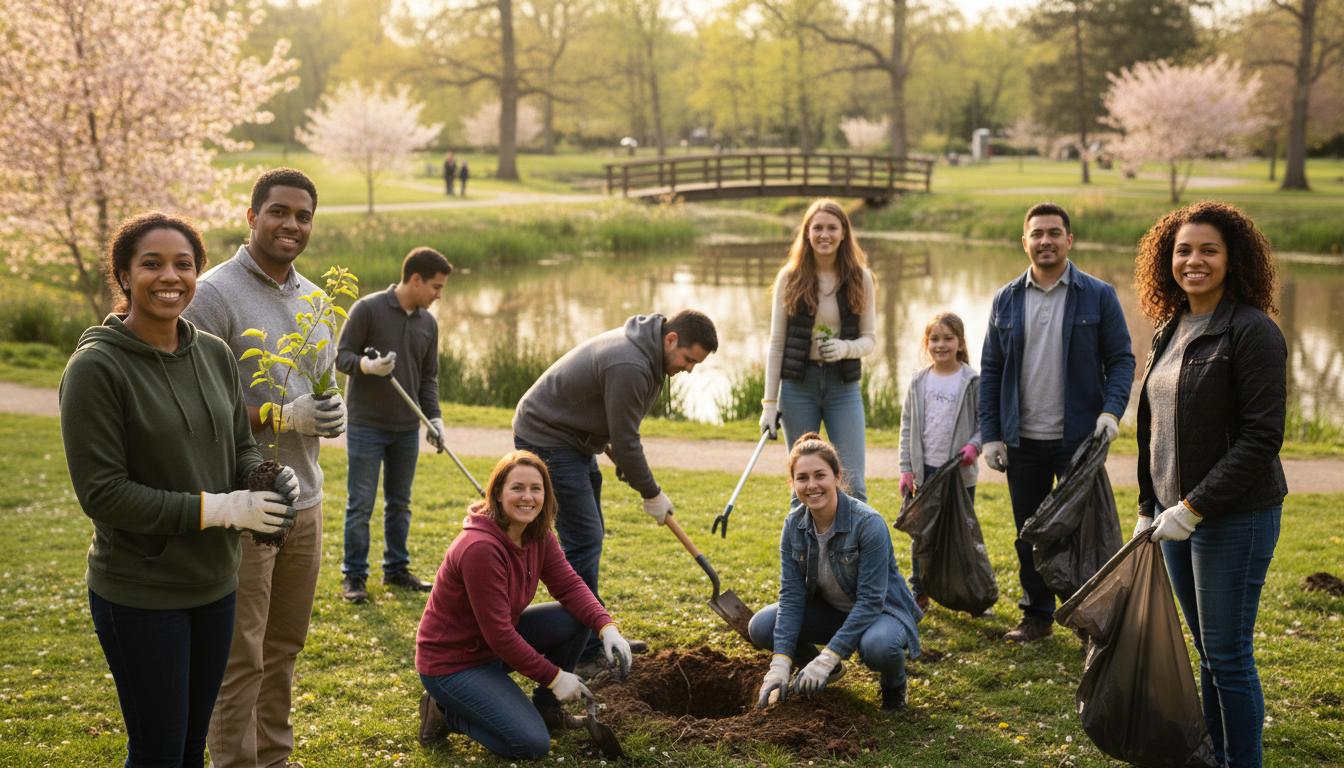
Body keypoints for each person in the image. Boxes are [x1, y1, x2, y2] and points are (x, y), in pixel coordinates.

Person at [59, 212, 299, 767]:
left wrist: (262, 477)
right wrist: (218, 510)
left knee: (193, 746)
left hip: (215, 584)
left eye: (184, 265)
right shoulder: (97, 367)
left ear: (198, 273)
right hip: (142, 594)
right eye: (152, 264)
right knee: (158, 751)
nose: (170, 276)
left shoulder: (213, 352)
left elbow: (238, 445)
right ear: (123, 275)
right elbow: (104, 494)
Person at [184, 167, 347, 768]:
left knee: (283, 647)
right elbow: (197, 405)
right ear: (252, 217)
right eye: (279, 212)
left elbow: (319, 386)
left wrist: (329, 411)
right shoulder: (212, 295)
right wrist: (280, 418)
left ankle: (273, 759)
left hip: (307, 499)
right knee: (240, 655)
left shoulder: (316, 300)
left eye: (303, 216)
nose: (292, 225)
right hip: (245, 500)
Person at [1132, 201, 1286, 768]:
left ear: (1233, 258)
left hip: (1233, 516)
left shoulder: (1252, 331)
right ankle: (1216, 755)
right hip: (1175, 516)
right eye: (1183, 250)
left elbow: (1261, 438)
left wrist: (1194, 506)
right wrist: (1150, 505)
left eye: (1208, 250)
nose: (1193, 261)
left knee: (1228, 655)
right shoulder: (1170, 328)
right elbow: (1153, 428)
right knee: (1208, 652)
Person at [513, 309, 718, 674]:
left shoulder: (648, 355)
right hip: (548, 437)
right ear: (671, 339)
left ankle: (595, 634)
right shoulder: (631, 364)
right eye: (689, 359)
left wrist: (627, 464)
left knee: (589, 536)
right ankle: (584, 649)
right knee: (584, 539)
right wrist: (651, 493)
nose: (689, 369)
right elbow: (626, 441)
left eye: (696, 364)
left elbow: (615, 427)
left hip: (576, 440)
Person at [979, 202, 1135, 643]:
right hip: (1021, 441)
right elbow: (991, 371)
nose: (1045, 241)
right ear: (1024, 241)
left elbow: (1121, 359)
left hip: (1079, 441)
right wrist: (991, 434)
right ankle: (1037, 616)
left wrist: (1111, 411)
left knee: (1083, 534)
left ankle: (1090, 618)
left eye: (1054, 233)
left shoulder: (1098, 295)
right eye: (1037, 234)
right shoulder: (1006, 299)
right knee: (1029, 533)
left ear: (1069, 240)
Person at [415, 450, 635, 759]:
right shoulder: (480, 548)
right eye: (517, 488)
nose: (527, 497)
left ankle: (547, 709)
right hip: (453, 664)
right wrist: (556, 678)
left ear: (546, 493)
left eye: (536, 488)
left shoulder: (537, 534)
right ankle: (443, 711)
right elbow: (501, 636)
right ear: (498, 493)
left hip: (490, 649)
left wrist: (607, 628)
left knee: (577, 618)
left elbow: (570, 586)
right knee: (530, 744)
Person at [749, 433, 922, 712]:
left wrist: (828, 655)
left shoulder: (868, 524)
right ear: (793, 483)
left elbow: (870, 601)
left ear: (837, 477)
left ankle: (894, 684)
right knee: (761, 626)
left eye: (820, 475)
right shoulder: (793, 526)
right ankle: (825, 669)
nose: (812, 485)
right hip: (832, 612)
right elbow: (792, 597)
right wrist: (780, 664)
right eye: (802, 478)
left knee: (880, 647)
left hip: (880, 614)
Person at [335, 247, 453, 603]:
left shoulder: (428, 323)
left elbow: (428, 378)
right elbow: (341, 356)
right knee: (361, 503)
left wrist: (434, 418)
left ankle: (396, 569)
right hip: (367, 424)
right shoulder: (368, 309)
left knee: (400, 503)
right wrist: (367, 368)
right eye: (435, 287)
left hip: (406, 427)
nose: (438, 295)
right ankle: (354, 577)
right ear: (415, 279)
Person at [760, 199, 877, 502]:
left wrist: (843, 348)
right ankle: (802, 550)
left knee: (853, 486)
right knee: (803, 487)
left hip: (843, 387)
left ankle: (852, 550)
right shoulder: (790, 276)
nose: (824, 234)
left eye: (831, 228)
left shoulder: (860, 277)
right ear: (807, 233)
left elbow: (870, 340)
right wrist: (769, 404)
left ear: (843, 233)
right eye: (818, 228)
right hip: (798, 388)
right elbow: (776, 343)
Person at [897, 312, 982, 611]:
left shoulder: (971, 381)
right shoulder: (919, 381)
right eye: (935, 339)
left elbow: (985, 421)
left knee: (961, 534)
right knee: (922, 535)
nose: (941, 344)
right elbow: (906, 426)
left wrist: (975, 445)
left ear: (960, 343)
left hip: (959, 474)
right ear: (926, 343)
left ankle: (970, 591)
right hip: (926, 472)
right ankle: (919, 591)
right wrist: (906, 468)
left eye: (948, 338)